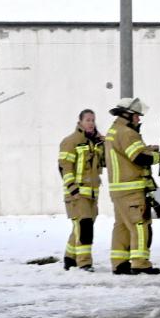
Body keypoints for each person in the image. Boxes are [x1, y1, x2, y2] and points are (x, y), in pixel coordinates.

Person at [105, 98, 160, 276]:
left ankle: (119, 263)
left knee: (121, 226)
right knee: (139, 224)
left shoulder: (113, 131)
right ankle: (140, 263)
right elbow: (138, 158)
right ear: (127, 115)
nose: (139, 119)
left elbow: (129, 154)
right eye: (137, 116)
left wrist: (148, 149)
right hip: (132, 189)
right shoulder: (127, 133)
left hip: (118, 190)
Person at [58, 109, 104, 272]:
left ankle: (70, 258)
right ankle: (84, 262)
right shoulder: (70, 141)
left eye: (93, 120)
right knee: (84, 226)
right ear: (80, 122)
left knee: (80, 225)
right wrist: (72, 188)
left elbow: (102, 163)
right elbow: (65, 166)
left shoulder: (96, 142)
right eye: (88, 120)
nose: (91, 123)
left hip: (92, 193)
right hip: (77, 193)